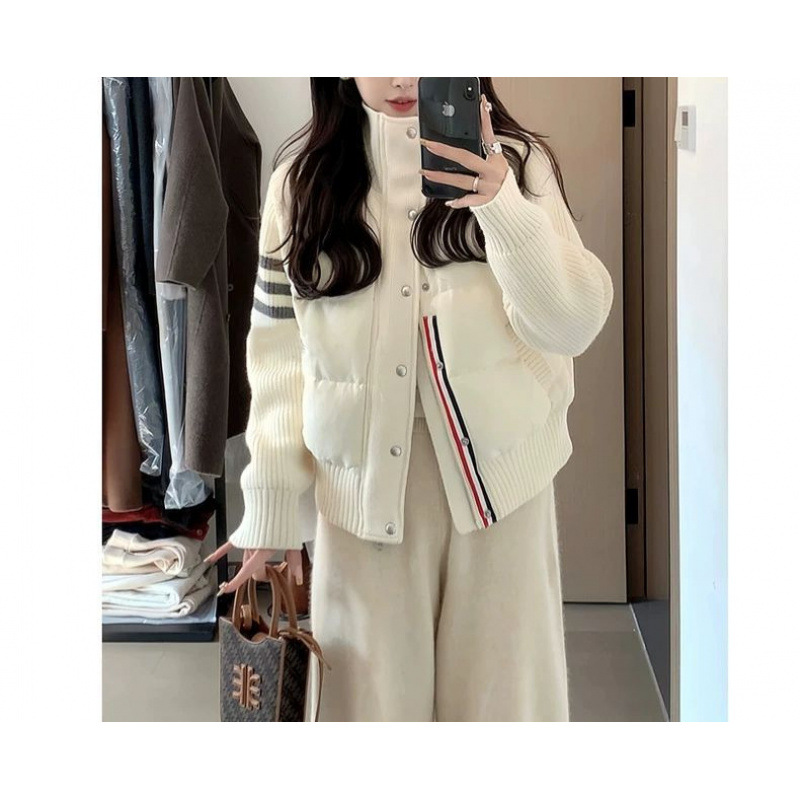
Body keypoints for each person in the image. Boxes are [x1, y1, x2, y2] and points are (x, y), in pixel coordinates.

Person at [205, 77, 614, 721]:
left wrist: (502, 205)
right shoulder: (300, 182)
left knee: (506, 711)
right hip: (362, 504)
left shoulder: (515, 163)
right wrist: (272, 505)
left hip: (501, 499)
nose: (400, 77)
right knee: (371, 712)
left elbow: (572, 325)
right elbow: (281, 357)